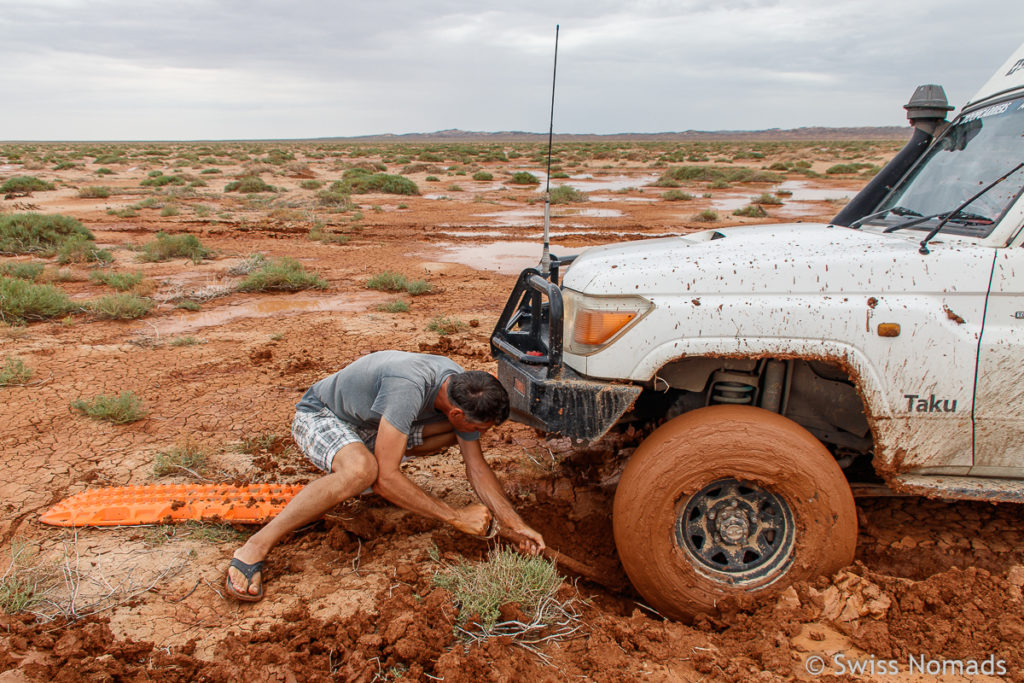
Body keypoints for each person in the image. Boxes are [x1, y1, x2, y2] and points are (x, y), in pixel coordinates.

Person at [226, 350, 545, 601]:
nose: (479, 434)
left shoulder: (462, 388)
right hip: (322, 415)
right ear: (458, 412)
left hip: (369, 426)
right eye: (477, 428)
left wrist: (515, 523)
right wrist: (455, 516)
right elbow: (385, 478)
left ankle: (364, 472)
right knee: (365, 472)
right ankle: (256, 545)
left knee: (447, 436)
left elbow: (476, 467)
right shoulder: (409, 387)